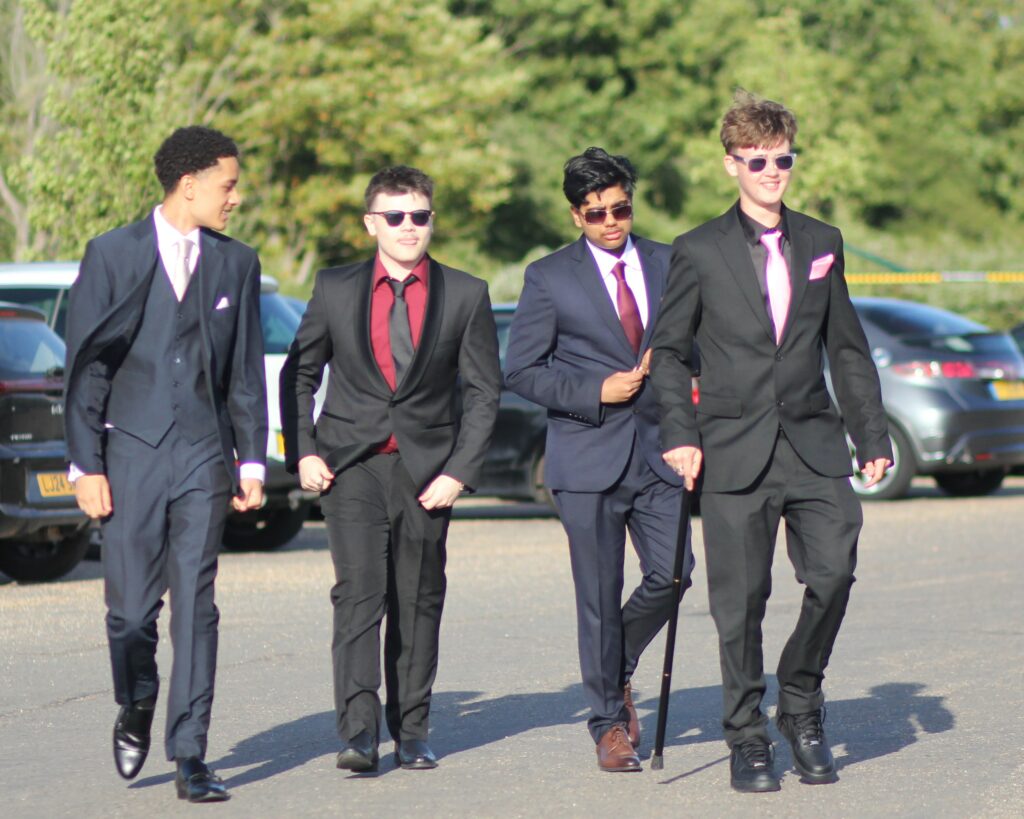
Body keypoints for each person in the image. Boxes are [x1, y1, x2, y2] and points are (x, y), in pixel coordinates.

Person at [650, 91, 892, 792]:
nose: (771, 172)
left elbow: (846, 347)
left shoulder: (821, 242)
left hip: (813, 440)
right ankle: (747, 736)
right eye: (757, 161)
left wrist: (871, 433)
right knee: (741, 602)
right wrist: (679, 434)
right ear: (731, 164)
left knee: (834, 571)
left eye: (782, 159)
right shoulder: (697, 249)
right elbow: (669, 353)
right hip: (732, 446)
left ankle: (801, 699)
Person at [64, 126, 267, 802]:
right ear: (189, 184)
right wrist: (85, 464)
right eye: (228, 185)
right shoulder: (111, 254)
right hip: (129, 453)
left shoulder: (237, 263)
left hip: (204, 457)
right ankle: (137, 698)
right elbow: (87, 368)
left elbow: (244, 373)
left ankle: (190, 754)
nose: (235, 198)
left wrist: (251, 462)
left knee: (196, 607)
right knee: (129, 614)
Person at [280, 166, 501, 774]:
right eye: (396, 216)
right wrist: (304, 450)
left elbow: (485, 391)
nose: (409, 227)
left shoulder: (466, 293)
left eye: (420, 216)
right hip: (350, 466)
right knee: (358, 596)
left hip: (428, 473)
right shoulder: (333, 288)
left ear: (431, 221)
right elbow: (299, 373)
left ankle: (412, 731)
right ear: (370, 223)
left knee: (419, 599)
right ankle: (358, 734)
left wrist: (458, 472)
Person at [504, 148, 693, 773]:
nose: (611, 221)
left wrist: (680, 367)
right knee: (597, 596)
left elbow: (699, 345)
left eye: (620, 209)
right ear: (575, 215)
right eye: (596, 213)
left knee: (673, 573)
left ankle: (615, 667)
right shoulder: (548, 277)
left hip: (661, 451)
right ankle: (609, 726)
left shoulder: (670, 262)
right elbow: (521, 370)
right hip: (586, 457)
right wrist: (595, 390)